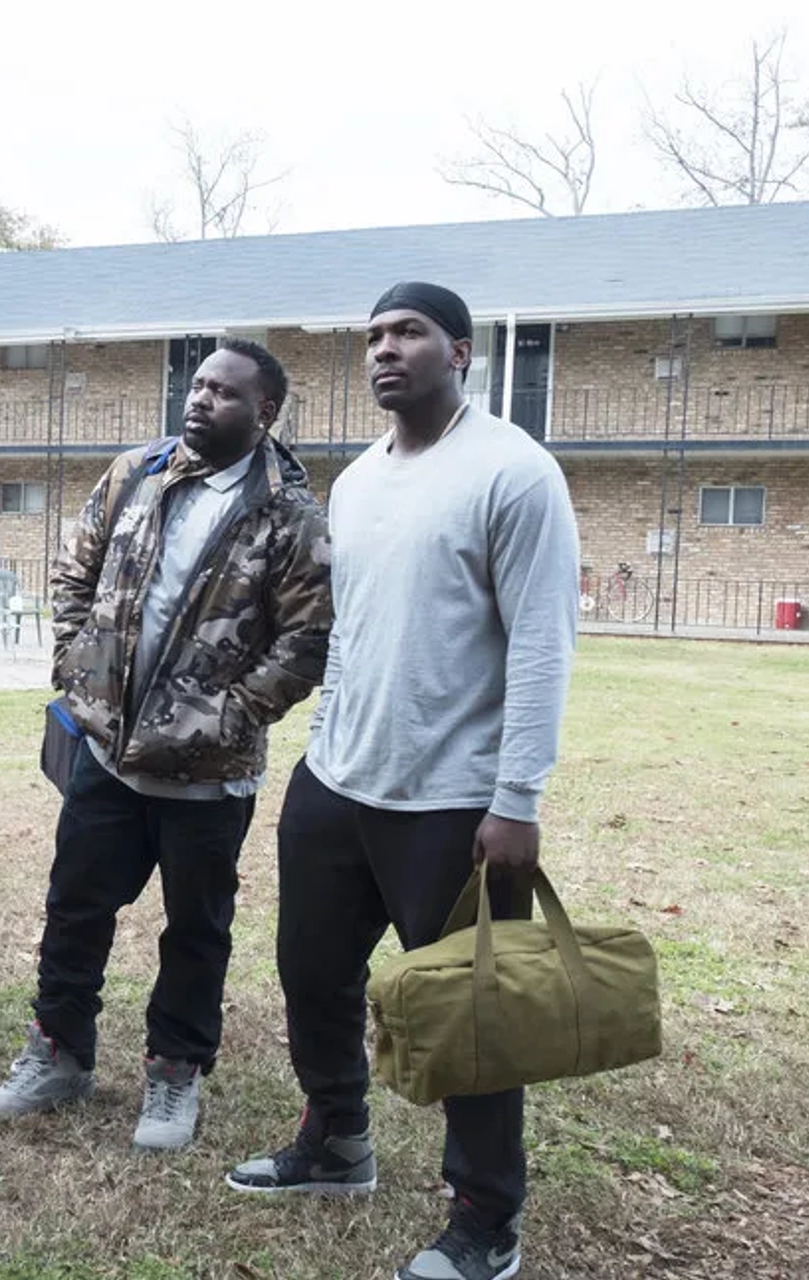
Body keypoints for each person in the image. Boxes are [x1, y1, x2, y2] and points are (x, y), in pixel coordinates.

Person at [225, 283, 579, 1280]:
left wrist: (518, 798)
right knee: (312, 973)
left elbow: (545, 645)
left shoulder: (514, 471)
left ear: (460, 352)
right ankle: (337, 1141)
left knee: (474, 1017)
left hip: (458, 798)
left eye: (408, 332)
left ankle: (485, 1219)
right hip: (340, 779)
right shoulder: (359, 481)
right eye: (373, 335)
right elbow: (355, 631)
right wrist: (318, 754)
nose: (385, 349)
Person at [0, 337, 334, 1151]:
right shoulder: (136, 472)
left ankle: (175, 1074)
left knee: (195, 930)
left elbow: (306, 641)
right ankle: (59, 1055)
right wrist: (75, 664)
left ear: (265, 412)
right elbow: (76, 569)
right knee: (75, 908)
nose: (201, 400)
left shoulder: (290, 514)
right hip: (105, 751)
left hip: (208, 774)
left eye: (225, 392)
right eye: (197, 385)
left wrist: (232, 715)